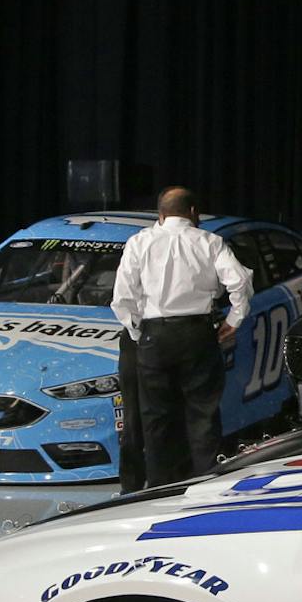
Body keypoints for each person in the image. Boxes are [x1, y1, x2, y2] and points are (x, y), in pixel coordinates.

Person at [109, 186, 253, 486]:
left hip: (154, 336)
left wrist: (138, 331)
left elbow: (122, 297)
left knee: (155, 419)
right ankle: (205, 488)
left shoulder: (140, 242)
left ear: (159, 215)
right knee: (203, 415)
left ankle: (159, 491)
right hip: (198, 334)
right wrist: (234, 320)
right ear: (193, 212)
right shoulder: (210, 242)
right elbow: (239, 282)